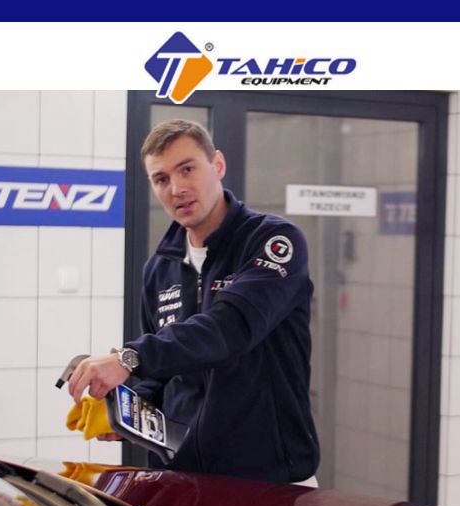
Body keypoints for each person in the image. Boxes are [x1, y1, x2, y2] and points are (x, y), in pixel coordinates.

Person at [68, 119, 319, 486]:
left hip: (272, 480)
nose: (177, 189)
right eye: (161, 179)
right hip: (184, 477)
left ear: (218, 165)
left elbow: (230, 328)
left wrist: (127, 358)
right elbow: (160, 374)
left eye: (187, 169)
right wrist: (126, 412)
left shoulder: (273, 241)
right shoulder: (160, 267)